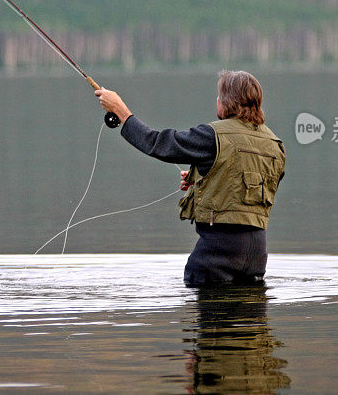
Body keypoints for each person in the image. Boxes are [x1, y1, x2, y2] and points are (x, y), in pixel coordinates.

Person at [94, 70, 286, 287]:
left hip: (215, 257)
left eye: (219, 96)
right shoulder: (275, 144)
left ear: (226, 102)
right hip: (256, 258)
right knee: (251, 321)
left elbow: (156, 143)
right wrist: (206, 178)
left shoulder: (212, 135)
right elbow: (249, 191)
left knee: (211, 319)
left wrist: (121, 111)